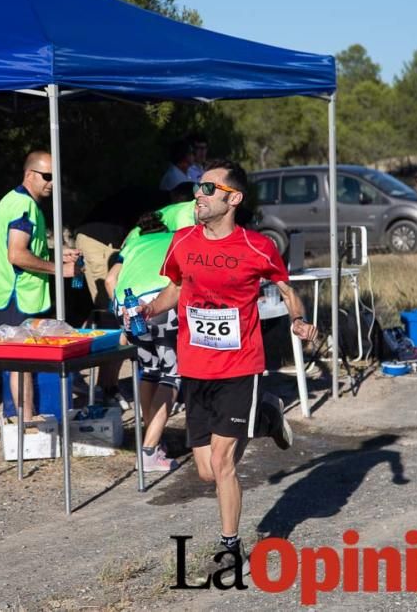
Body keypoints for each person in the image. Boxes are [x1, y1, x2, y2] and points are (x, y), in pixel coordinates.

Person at [132, 159, 318, 566]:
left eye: (209, 189)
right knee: (205, 472)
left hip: (240, 367)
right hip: (195, 369)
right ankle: (268, 417)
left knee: (222, 462)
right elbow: (176, 288)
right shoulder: (182, 241)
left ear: (233, 199)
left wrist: (299, 320)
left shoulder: (257, 247)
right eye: (198, 187)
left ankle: (230, 545)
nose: (199, 194)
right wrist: (148, 310)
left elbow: (286, 291)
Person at [0, 151, 82, 438]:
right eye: (46, 176)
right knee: (20, 358)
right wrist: (57, 269)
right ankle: (27, 423)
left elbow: (22, 249)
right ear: (29, 175)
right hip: (9, 294)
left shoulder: (16, 200)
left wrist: (58, 255)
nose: (52, 183)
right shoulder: (24, 207)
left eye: (55, 177)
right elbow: (17, 254)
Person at [74, 186, 167, 405]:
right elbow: (130, 246)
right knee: (113, 316)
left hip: (108, 239)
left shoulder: (163, 204)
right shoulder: (168, 212)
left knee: (115, 315)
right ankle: (105, 387)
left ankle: (105, 384)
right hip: (98, 241)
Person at [105, 211, 180, 472]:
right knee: (172, 374)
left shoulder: (132, 245)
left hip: (128, 306)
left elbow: (109, 279)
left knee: (149, 371)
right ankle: (148, 451)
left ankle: (152, 441)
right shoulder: (177, 238)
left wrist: (119, 313)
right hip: (162, 304)